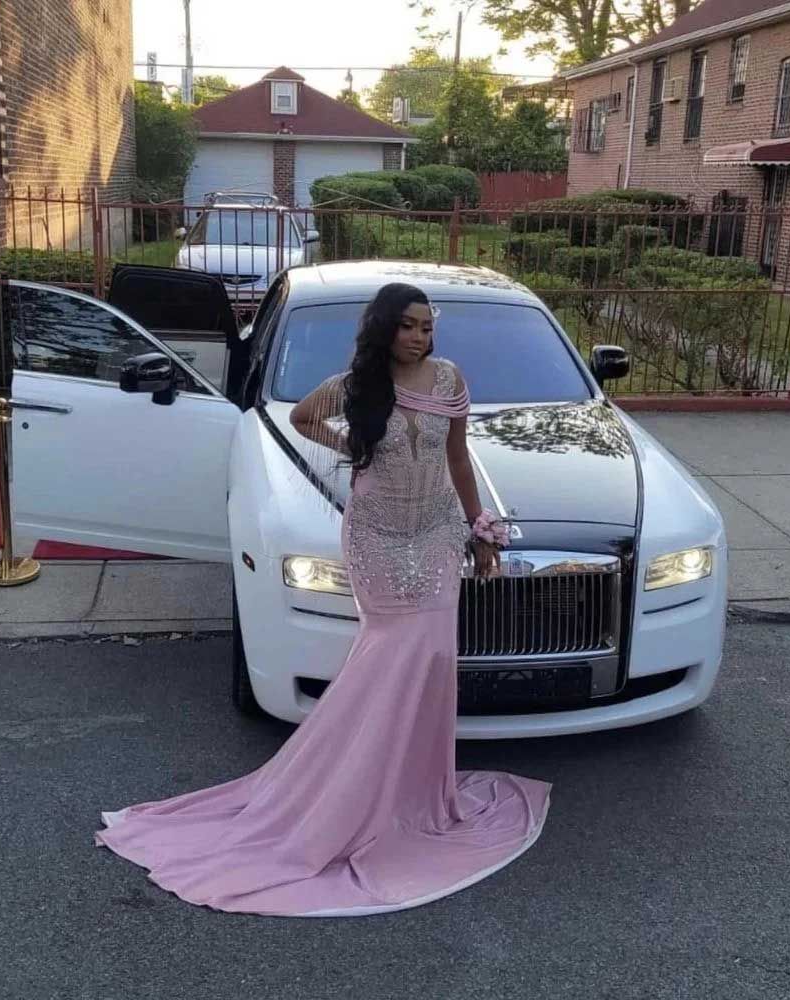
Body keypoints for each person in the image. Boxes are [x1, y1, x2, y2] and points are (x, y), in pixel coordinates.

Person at [94, 282, 551, 917]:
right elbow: (303, 417)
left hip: (437, 533)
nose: (420, 337)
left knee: (432, 658)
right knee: (389, 654)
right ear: (385, 328)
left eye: (427, 326)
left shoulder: (449, 379)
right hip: (376, 536)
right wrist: (354, 448)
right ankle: (341, 792)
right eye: (409, 326)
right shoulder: (356, 386)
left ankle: (413, 790)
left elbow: (458, 458)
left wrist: (480, 529)